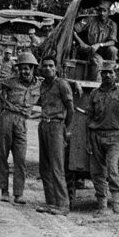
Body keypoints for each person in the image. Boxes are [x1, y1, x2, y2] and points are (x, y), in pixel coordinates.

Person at [81, 59, 119, 216]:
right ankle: (102, 204)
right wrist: (88, 141)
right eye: (104, 73)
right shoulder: (94, 94)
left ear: (115, 74)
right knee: (97, 172)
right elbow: (89, 118)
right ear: (100, 75)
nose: (107, 76)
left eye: (110, 72)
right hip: (96, 135)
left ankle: (116, 203)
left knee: (112, 169)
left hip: (115, 136)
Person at [0, 51, 41, 204]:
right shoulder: (11, 81)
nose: (25, 72)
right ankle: (4, 190)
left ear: (33, 69)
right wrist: (2, 100)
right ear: (18, 69)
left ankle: (18, 193)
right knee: (3, 155)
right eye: (22, 68)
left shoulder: (39, 84)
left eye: (28, 69)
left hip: (22, 122)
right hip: (7, 118)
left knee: (20, 159)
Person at [35, 57, 75, 216]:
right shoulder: (43, 85)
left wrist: (66, 129)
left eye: (51, 66)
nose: (48, 68)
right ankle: (51, 202)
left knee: (57, 166)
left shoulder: (62, 85)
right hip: (44, 124)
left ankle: (63, 205)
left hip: (57, 126)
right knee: (44, 167)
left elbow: (70, 109)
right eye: (44, 66)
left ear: (56, 68)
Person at [73, 0, 118, 79]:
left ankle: (111, 76)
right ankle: (94, 84)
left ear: (109, 12)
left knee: (113, 50)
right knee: (98, 60)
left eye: (104, 11)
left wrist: (100, 45)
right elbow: (74, 29)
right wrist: (81, 43)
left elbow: (112, 41)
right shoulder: (90, 20)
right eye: (100, 11)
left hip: (103, 50)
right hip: (90, 50)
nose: (102, 13)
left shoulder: (112, 24)